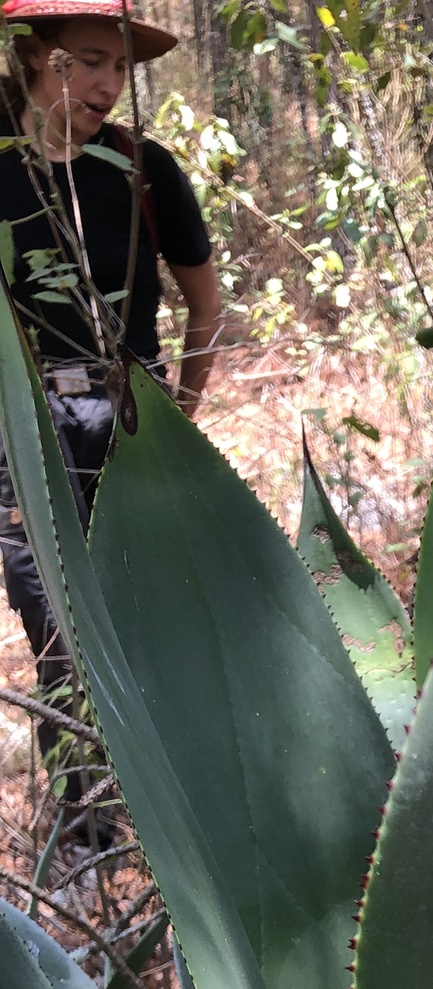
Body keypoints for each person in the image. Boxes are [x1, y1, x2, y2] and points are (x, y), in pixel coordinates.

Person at [0, 0, 220, 828]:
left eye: (121, 66)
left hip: (135, 420)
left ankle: (178, 800)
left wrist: (178, 416)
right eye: (89, 60)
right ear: (35, 55)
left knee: (148, 600)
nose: (109, 83)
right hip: (27, 432)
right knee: (53, 618)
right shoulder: (5, 170)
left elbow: (205, 306)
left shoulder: (142, 169)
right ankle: (88, 817)